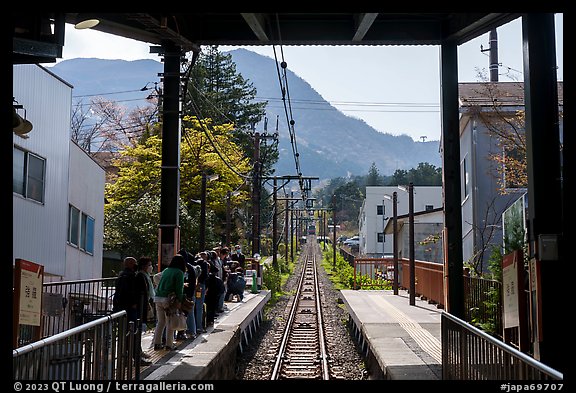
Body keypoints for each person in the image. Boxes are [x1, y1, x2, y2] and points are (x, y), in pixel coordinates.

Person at [113, 257, 151, 365]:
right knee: (134, 333)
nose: (136, 265)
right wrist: (135, 304)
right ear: (130, 264)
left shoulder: (121, 276)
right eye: (134, 263)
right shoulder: (131, 277)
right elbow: (132, 292)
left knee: (124, 334)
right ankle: (136, 357)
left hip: (121, 309)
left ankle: (125, 358)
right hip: (130, 309)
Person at [152, 254, 186, 351]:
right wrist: (180, 300)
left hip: (158, 298)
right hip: (168, 300)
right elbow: (179, 288)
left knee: (161, 322)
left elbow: (156, 277)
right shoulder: (179, 272)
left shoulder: (166, 270)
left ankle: (157, 343)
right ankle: (169, 344)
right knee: (170, 321)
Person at [135, 256, 155, 359]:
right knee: (138, 329)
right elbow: (143, 292)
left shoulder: (145, 276)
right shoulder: (141, 276)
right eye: (149, 265)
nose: (151, 267)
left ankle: (139, 352)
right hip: (140, 307)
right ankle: (138, 354)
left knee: (140, 329)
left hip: (143, 305)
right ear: (143, 266)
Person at [204, 263, 225, 328]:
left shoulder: (206, 278)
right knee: (212, 309)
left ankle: (206, 321)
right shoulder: (218, 280)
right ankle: (211, 321)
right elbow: (222, 289)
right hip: (215, 295)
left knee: (207, 308)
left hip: (207, 295)